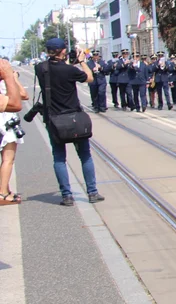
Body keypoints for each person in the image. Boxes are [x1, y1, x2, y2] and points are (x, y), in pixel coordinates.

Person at [34, 39, 105, 206]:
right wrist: (81, 61)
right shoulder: (69, 70)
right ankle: (92, 192)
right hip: (74, 118)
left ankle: (66, 195)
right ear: (63, 51)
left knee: (59, 158)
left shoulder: (40, 68)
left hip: (54, 119)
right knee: (85, 156)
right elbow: (89, 78)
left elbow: (51, 68)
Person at [0, 58, 28, 205]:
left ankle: (5, 189)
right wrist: (12, 77)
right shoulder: (6, 82)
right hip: (6, 123)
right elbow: (23, 96)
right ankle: (3, 193)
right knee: (8, 159)